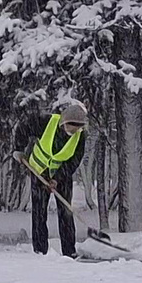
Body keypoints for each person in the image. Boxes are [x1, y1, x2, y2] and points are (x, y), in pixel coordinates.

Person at [14, 101, 88, 258]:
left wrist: (57, 179)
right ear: (64, 122)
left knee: (66, 213)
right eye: (71, 126)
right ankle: (40, 251)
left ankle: (69, 252)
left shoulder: (80, 137)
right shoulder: (46, 122)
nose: (74, 130)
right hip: (39, 171)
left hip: (62, 175)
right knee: (39, 213)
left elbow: (74, 160)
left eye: (78, 127)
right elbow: (22, 128)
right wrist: (18, 149)